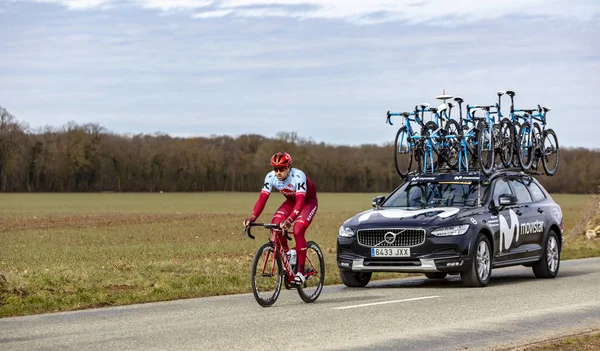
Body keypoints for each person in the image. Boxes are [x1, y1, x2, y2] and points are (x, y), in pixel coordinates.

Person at [243, 152, 318, 285]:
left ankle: (300, 272)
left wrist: (289, 220)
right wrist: (253, 217)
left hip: (307, 202)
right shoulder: (270, 177)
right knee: (275, 224)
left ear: (289, 167)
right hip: (290, 201)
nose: (278, 172)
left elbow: (300, 202)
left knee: (298, 229)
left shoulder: (298, 176)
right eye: (275, 169)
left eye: (282, 169)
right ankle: (288, 254)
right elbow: (262, 199)